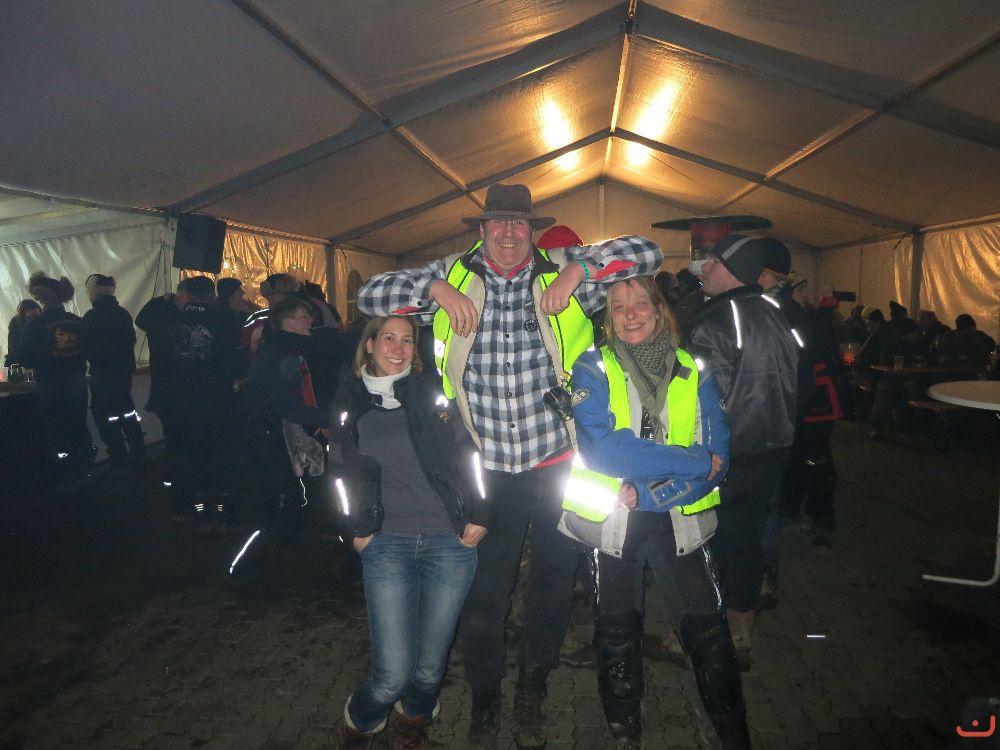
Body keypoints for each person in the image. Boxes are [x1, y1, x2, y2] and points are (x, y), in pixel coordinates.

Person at [356, 183, 663, 750]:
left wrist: (579, 271)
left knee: (552, 587)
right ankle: (485, 694)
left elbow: (649, 252)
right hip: (485, 467)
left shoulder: (563, 268)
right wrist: (435, 288)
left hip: (558, 462)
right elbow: (370, 296)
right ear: (481, 230)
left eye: (518, 223)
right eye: (497, 222)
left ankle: (532, 688)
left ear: (532, 230)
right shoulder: (452, 273)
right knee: (484, 594)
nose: (507, 233)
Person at [565, 276, 749, 749]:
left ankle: (734, 735)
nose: (630, 314)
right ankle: (626, 732)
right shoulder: (591, 368)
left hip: (677, 519)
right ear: (609, 318)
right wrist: (691, 461)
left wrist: (652, 493)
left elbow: (720, 458)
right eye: (618, 306)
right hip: (612, 523)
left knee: (710, 636)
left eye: (640, 304)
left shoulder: (695, 368)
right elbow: (605, 451)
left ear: (659, 309)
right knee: (616, 636)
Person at [330, 316, 490, 750]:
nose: (398, 349)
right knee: (392, 672)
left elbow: (471, 453)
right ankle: (361, 720)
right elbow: (338, 472)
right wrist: (353, 530)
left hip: (449, 543)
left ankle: (415, 717)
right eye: (388, 338)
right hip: (387, 544)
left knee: (430, 667)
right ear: (369, 344)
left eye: (406, 341)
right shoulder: (350, 400)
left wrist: (481, 512)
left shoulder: (432, 393)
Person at [687, 235, 800, 671]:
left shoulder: (715, 321)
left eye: (713, 262)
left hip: (729, 452)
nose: (705, 270)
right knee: (747, 540)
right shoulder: (775, 311)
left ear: (733, 270)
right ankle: (741, 632)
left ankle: (711, 636)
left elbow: (703, 398)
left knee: (712, 541)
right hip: (773, 448)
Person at [231, 297, 332, 580]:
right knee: (281, 501)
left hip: (274, 431)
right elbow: (285, 405)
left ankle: (280, 550)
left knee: (290, 499)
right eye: (304, 316)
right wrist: (325, 421)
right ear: (289, 323)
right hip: (265, 434)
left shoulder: (287, 349)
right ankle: (242, 569)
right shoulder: (278, 354)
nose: (310, 320)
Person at [164, 275, 243, 528]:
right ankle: (223, 512)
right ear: (211, 295)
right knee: (220, 457)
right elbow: (235, 358)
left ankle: (188, 509)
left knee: (187, 457)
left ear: (186, 294)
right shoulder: (225, 319)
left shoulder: (172, 320)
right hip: (217, 399)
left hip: (183, 400)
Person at [18, 272, 95, 490]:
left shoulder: (36, 325)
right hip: (77, 382)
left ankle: (66, 475)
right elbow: (91, 350)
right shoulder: (77, 322)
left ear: (41, 298)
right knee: (79, 426)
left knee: (56, 430)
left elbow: (24, 358)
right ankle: (86, 470)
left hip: (51, 385)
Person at [81, 274, 145, 468]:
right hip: (123, 374)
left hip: (102, 375)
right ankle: (139, 452)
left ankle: (118, 457)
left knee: (105, 417)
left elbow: (86, 346)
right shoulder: (123, 314)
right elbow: (130, 340)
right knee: (127, 412)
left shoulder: (91, 317)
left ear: (93, 292)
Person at [5, 299, 41, 367]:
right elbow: (15, 351)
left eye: (36, 317)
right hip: (18, 364)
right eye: (30, 318)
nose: (34, 320)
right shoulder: (15, 327)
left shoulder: (43, 327)